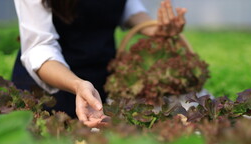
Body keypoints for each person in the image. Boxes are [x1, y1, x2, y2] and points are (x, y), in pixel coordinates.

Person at [12, 0, 186, 127]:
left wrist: (151, 27)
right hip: (50, 88)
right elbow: (39, 47)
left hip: (100, 80)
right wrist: (77, 85)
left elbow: (126, 5)